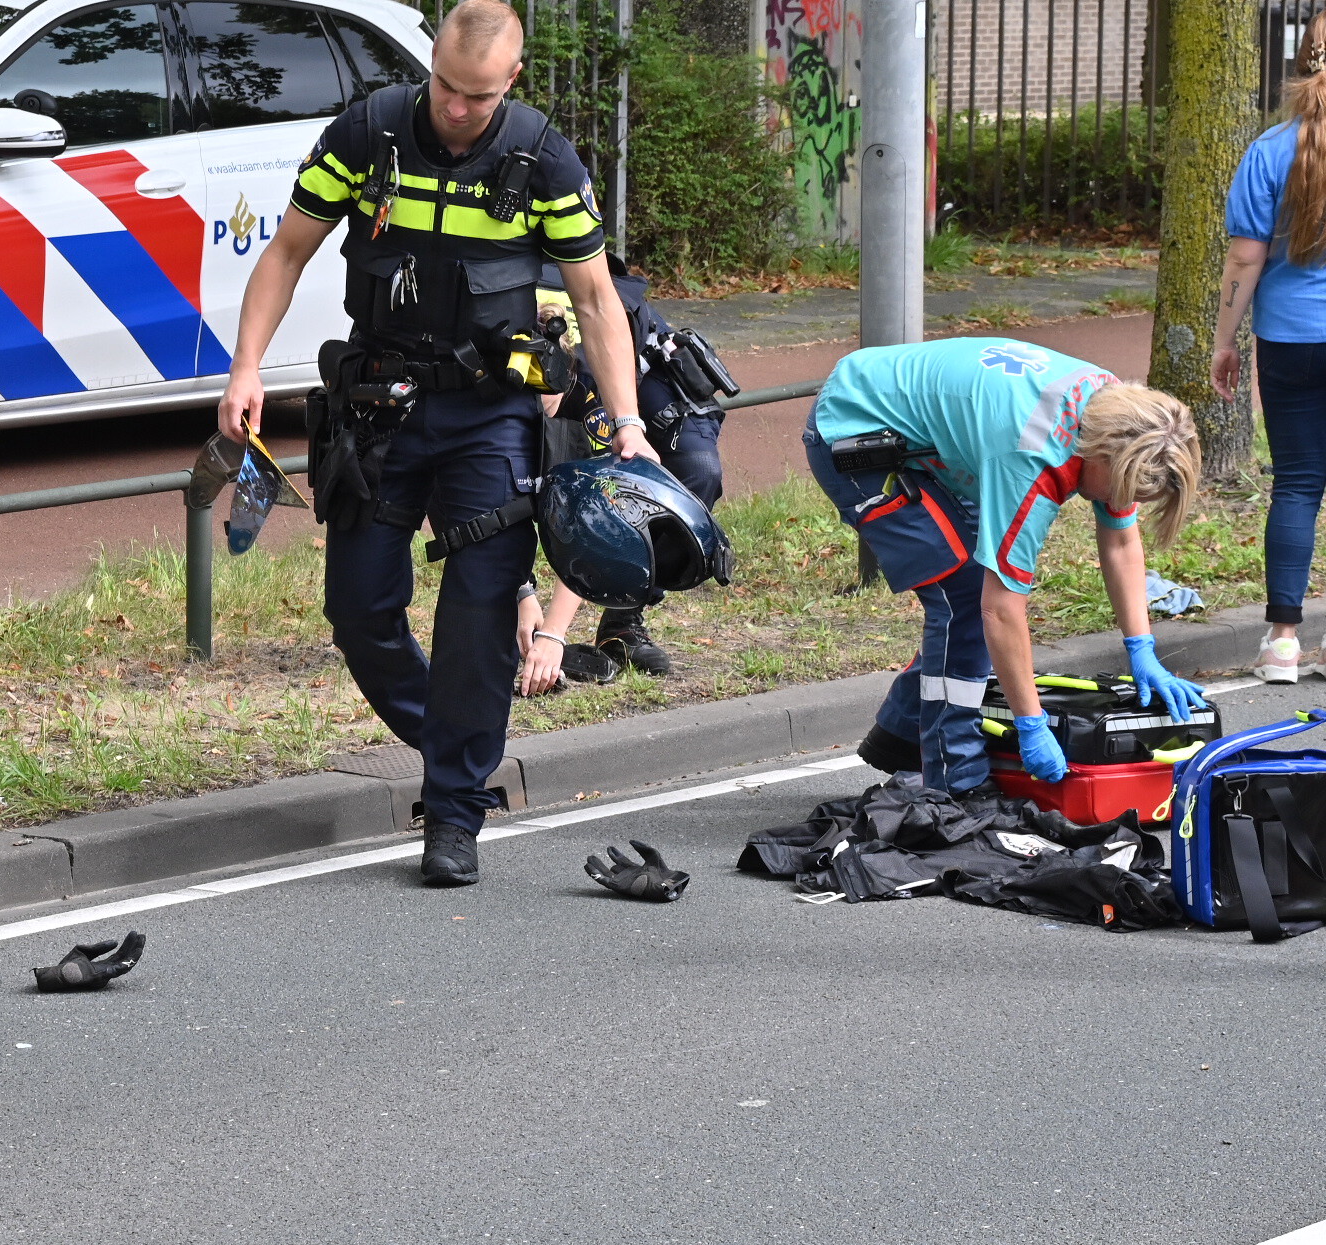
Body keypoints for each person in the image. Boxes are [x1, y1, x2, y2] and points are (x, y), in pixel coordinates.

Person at [215, 0, 656, 887]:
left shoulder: (541, 159)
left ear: (512, 82)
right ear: (431, 64)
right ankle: (457, 742)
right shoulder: (366, 135)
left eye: (478, 96)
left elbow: (601, 302)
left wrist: (632, 430)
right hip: (378, 412)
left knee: (477, 621)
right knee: (360, 613)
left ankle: (454, 812)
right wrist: (246, 367)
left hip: (490, 417)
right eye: (448, 88)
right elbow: (287, 254)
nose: (458, 109)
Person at [805, 337, 1206, 792]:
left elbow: (1119, 540)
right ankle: (954, 783)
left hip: (917, 424)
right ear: (1101, 456)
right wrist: (1031, 724)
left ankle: (901, 736)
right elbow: (1001, 609)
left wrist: (1141, 647)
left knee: (972, 594)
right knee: (963, 597)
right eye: (1122, 489)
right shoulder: (1033, 459)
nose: (1121, 503)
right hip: (853, 426)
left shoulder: (1119, 415)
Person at [516, 283, 730, 692]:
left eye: (542, 402)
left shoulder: (590, 391)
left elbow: (597, 519)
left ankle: (623, 620)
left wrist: (553, 632)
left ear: (565, 377)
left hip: (630, 357)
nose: (533, 412)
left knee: (696, 470)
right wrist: (522, 595)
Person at [1212, 13, 1326, 683]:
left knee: (1298, 483)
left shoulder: (1269, 150)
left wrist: (1225, 343)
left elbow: (1244, 258)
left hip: (1289, 340)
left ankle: (1281, 642)